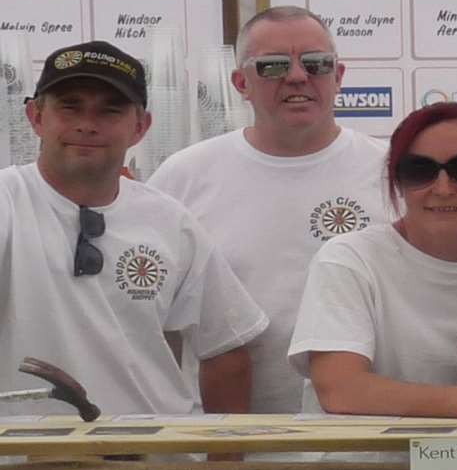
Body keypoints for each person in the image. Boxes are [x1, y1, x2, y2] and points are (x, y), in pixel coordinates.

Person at [0, 40, 264, 417]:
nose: (87, 125)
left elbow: (227, 349)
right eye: (69, 106)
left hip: (153, 461)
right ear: (35, 116)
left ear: (140, 127)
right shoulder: (7, 201)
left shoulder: (170, 221)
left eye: (110, 111)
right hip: (31, 463)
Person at [149, 5, 391, 413]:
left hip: (360, 437)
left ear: (339, 76)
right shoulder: (183, 176)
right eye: (273, 66)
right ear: (241, 82)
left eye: (316, 63)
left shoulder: (393, 172)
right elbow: (152, 319)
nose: (298, 76)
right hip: (228, 442)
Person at [287, 102, 457, 419]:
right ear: (397, 181)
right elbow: (341, 389)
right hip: (358, 464)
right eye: (419, 171)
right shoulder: (349, 259)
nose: (443, 188)